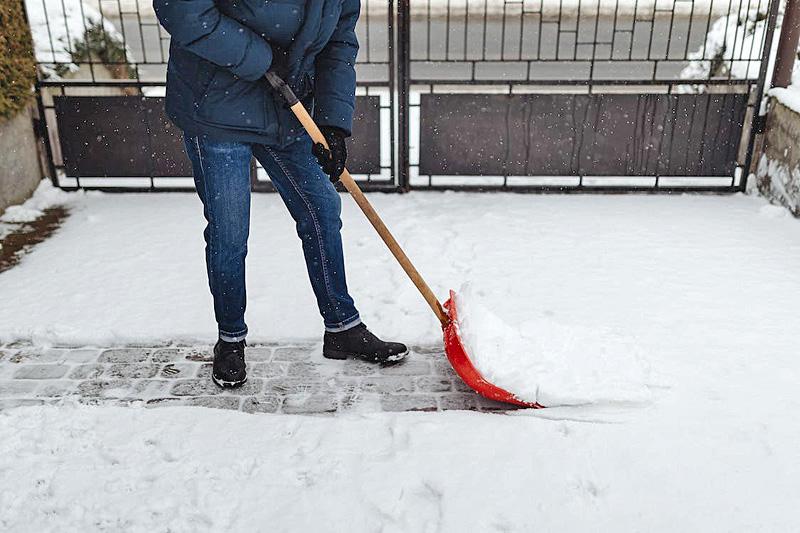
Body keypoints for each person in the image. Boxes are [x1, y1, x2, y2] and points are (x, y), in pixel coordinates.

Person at [153, 0, 407, 388]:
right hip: (218, 107)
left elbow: (339, 43)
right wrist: (258, 59)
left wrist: (332, 121)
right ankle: (231, 339)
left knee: (322, 209)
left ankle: (341, 327)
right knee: (229, 231)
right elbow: (185, 12)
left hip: (286, 107)